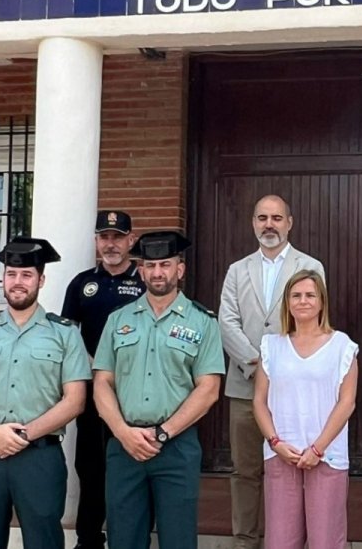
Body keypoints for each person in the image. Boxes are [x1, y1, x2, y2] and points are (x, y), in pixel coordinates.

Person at [0, 237, 90, 549]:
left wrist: (23, 436)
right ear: (3, 279)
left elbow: (76, 400)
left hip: (39, 458)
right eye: (11, 274)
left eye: (26, 275)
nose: (18, 282)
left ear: (41, 279)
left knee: (44, 542)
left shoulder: (64, 333)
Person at [93, 231, 225, 549]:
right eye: (150, 266)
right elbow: (102, 383)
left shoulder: (202, 322)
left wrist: (164, 433)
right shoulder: (117, 320)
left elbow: (208, 389)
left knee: (178, 540)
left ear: (180, 269)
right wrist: (123, 432)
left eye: (165, 265)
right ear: (140, 271)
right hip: (125, 447)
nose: (157, 273)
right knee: (123, 539)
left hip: (177, 448)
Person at [218, 194, 326, 549]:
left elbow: (312, 321)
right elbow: (227, 322)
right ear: (253, 222)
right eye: (262, 217)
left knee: (294, 472)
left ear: (289, 223)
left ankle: (290, 540)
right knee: (246, 472)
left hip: (295, 391)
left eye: (276, 218)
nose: (269, 225)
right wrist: (257, 365)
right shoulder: (237, 270)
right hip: (245, 387)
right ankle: (245, 542)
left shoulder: (310, 266)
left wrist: (285, 369)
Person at [254, 269, 359, 549]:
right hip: (281, 453)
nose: (303, 301)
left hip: (326, 456)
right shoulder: (271, 346)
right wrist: (275, 442)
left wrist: (318, 448)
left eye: (310, 295)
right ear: (287, 302)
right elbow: (259, 401)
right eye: (296, 295)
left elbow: (346, 402)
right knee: (280, 541)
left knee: (325, 540)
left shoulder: (342, 346)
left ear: (322, 302)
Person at [61, 210, 145, 549]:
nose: (111, 244)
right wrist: (95, 367)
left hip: (135, 388)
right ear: (97, 241)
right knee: (90, 467)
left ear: (131, 240)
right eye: (104, 237)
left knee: (132, 464)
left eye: (117, 237)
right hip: (95, 388)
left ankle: (130, 537)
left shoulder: (143, 281)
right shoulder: (82, 284)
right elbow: (68, 335)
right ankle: (89, 538)